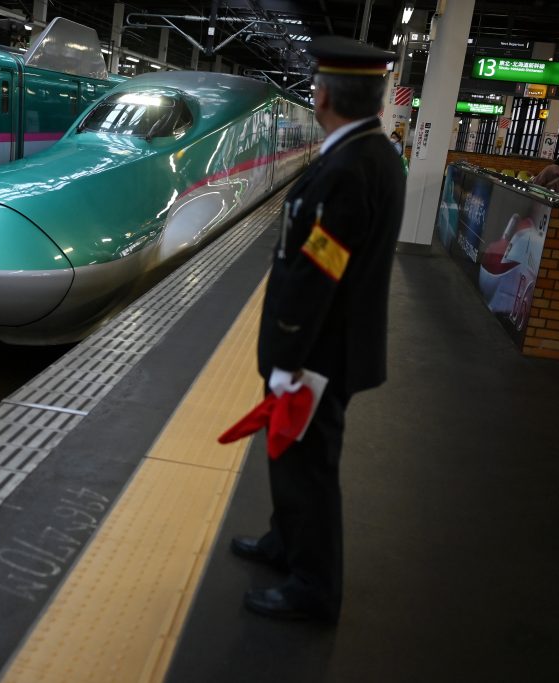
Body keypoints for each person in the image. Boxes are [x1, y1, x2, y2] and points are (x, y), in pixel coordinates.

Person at [229, 35, 406, 623]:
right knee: (291, 456)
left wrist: (288, 353)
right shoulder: (370, 154)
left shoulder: (350, 168)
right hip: (327, 345)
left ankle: (315, 586)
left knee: (310, 467)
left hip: (318, 352)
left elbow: (320, 272)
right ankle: (286, 542)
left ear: (324, 94)